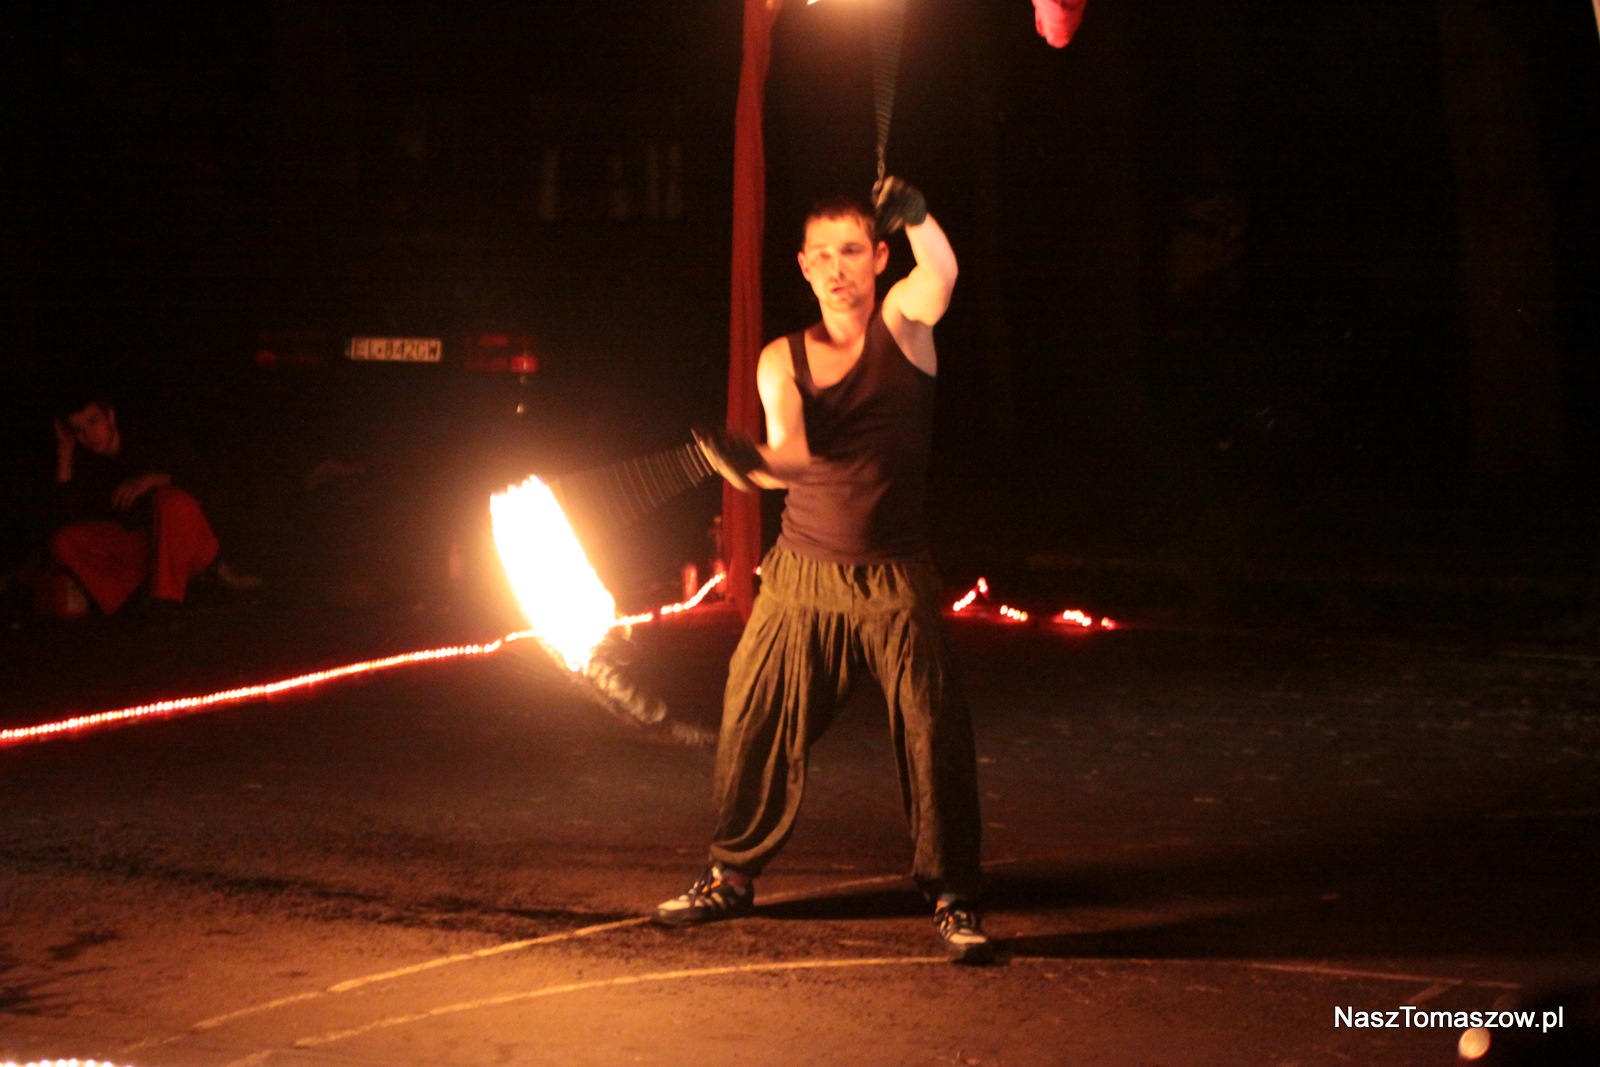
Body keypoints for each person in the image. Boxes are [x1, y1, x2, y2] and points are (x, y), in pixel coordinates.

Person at [660, 178, 991, 963]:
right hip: (801, 577)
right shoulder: (782, 358)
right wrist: (744, 463)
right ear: (804, 267)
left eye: (852, 251)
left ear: (878, 258)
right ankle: (730, 874)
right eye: (823, 255)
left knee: (932, 731)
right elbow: (791, 460)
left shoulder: (904, 323)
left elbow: (942, 274)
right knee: (752, 716)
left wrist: (920, 217)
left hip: (894, 578)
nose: (837, 268)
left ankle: (953, 895)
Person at [48, 393, 234, 616]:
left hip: (192, 548)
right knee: (64, 540)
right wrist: (65, 450)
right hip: (147, 552)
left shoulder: (150, 439)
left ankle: (167, 601)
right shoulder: (91, 464)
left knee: (171, 501)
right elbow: (66, 518)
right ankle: (129, 604)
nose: (88, 435)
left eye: (93, 422)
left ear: (110, 417)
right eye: (79, 430)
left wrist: (155, 479)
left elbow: (212, 486)